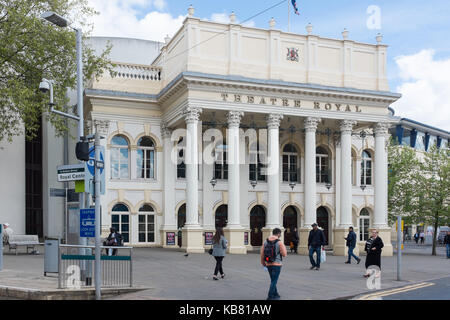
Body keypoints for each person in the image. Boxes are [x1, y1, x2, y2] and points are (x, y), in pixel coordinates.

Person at [260, 228, 287, 300]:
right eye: (280, 234)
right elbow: (284, 254)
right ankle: (270, 296)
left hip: (268, 264)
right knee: (274, 281)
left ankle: (276, 294)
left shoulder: (266, 241)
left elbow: (262, 253)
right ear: (278, 234)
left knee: (273, 279)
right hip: (277, 264)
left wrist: (263, 262)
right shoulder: (279, 242)